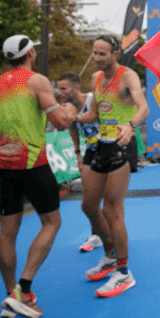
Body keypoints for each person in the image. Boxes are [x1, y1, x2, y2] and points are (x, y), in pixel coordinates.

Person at [0, 34, 77, 318]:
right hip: (34, 163)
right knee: (52, 222)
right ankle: (23, 290)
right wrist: (69, 110)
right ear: (31, 53)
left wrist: (3, 152)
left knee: (7, 232)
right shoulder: (37, 81)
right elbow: (60, 122)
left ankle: (11, 295)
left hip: (6, 164)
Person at [76, 35, 148, 298]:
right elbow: (95, 114)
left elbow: (143, 107)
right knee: (88, 206)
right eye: (94, 53)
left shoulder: (128, 76)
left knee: (112, 209)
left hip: (122, 142)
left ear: (115, 53)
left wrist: (130, 126)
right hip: (101, 144)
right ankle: (109, 255)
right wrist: (72, 117)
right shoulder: (95, 78)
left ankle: (124, 272)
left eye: (102, 54)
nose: (96, 58)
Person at [54, 73, 102, 252]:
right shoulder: (69, 108)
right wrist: (77, 154)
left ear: (76, 88)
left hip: (108, 148)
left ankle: (112, 232)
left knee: (108, 197)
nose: (59, 92)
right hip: (90, 150)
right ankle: (96, 234)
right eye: (58, 88)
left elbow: (97, 118)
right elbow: (73, 130)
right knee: (89, 196)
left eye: (63, 88)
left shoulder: (93, 99)